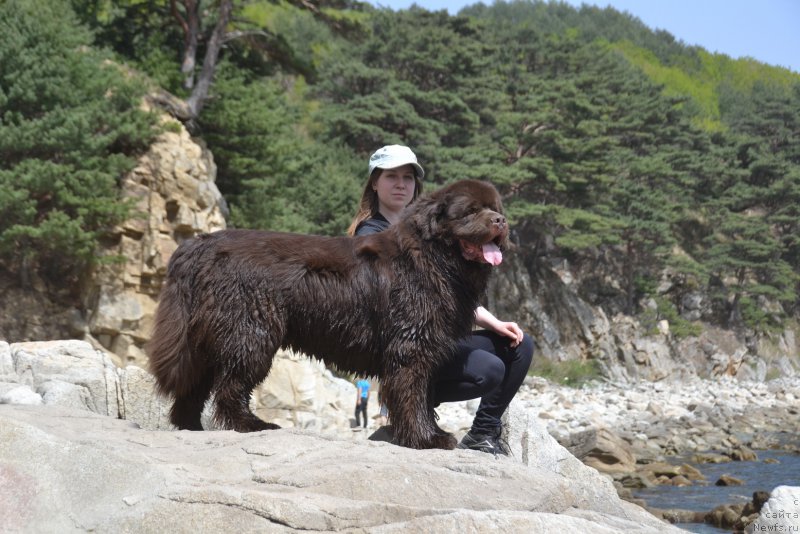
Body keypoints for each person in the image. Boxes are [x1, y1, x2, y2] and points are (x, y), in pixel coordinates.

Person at [348, 144, 535, 456]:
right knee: (488, 369)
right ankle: (409, 404)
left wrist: (494, 323)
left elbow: (446, 291)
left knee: (520, 345)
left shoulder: (434, 226)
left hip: (437, 337)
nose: (400, 184)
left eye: (407, 177)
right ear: (374, 183)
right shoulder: (371, 234)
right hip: (404, 348)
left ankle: (483, 432)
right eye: (391, 176)